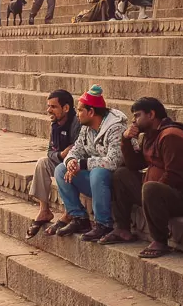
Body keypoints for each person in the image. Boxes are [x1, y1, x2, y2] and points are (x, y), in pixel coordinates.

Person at [103, 97, 183, 259]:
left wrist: (149, 196)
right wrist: (126, 140)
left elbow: (174, 175)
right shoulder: (150, 135)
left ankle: (160, 240)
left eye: (137, 116)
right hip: (154, 193)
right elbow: (135, 165)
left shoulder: (171, 136)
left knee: (150, 187)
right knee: (121, 174)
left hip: (182, 198)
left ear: (151, 114)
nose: (134, 121)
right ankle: (122, 229)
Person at [51, 85, 127, 241]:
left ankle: (103, 224)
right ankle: (79, 218)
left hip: (115, 184)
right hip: (95, 183)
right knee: (60, 169)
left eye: (80, 110)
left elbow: (114, 161)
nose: (77, 114)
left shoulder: (115, 128)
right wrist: (71, 161)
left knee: (98, 172)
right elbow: (76, 149)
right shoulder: (86, 128)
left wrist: (83, 164)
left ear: (91, 112)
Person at [26, 90, 80, 238]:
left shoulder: (77, 123)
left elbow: (79, 149)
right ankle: (44, 210)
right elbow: (50, 152)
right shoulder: (55, 124)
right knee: (42, 163)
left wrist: (67, 157)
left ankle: (68, 213)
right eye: (48, 106)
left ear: (66, 108)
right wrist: (60, 155)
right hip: (62, 159)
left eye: (53, 107)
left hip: (76, 165)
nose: (49, 110)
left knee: (62, 170)